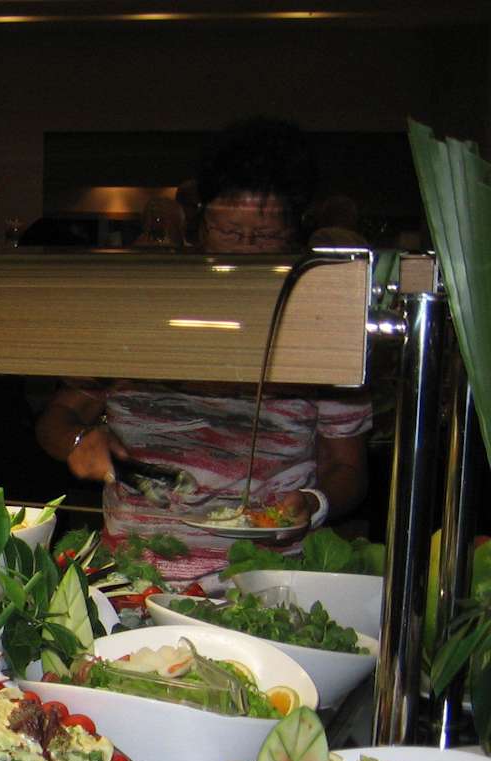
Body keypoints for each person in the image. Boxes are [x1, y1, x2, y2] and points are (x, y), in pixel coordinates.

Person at [35, 117, 371, 585]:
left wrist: (314, 503)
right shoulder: (142, 312)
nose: (247, 251)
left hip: (264, 584)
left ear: (295, 234)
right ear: (200, 226)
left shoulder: (317, 327)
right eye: (230, 232)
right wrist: (78, 441)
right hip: (131, 578)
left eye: (267, 237)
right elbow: (56, 419)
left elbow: (347, 466)